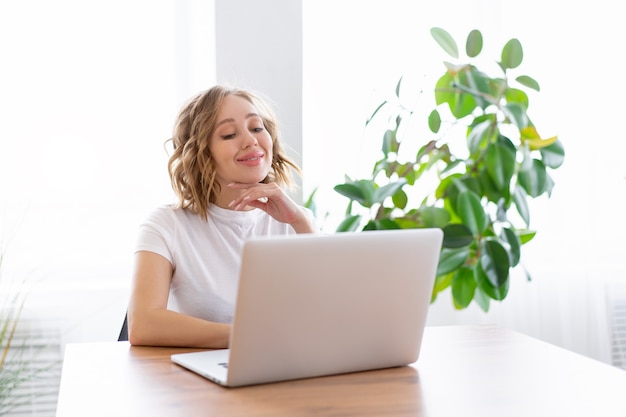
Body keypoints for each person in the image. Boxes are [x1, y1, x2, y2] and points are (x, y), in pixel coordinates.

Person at [127, 85, 317, 348]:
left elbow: (331, 316)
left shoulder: (296, 221)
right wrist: (244, 337)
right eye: (229, 134)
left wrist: (301, 223)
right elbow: (144, 324)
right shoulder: (165, 226)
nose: (251, 140)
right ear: (201, 153)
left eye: (257, 128)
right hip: (198, 378)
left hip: (284, 369)